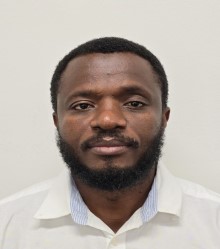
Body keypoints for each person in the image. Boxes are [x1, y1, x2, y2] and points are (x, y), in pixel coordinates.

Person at [0, 37, 219, 248]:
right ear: (57, 121)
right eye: (83, 106)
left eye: (134, 103)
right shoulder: (7, 225)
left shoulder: (213, 222)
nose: (107, 120)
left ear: (164, 118)